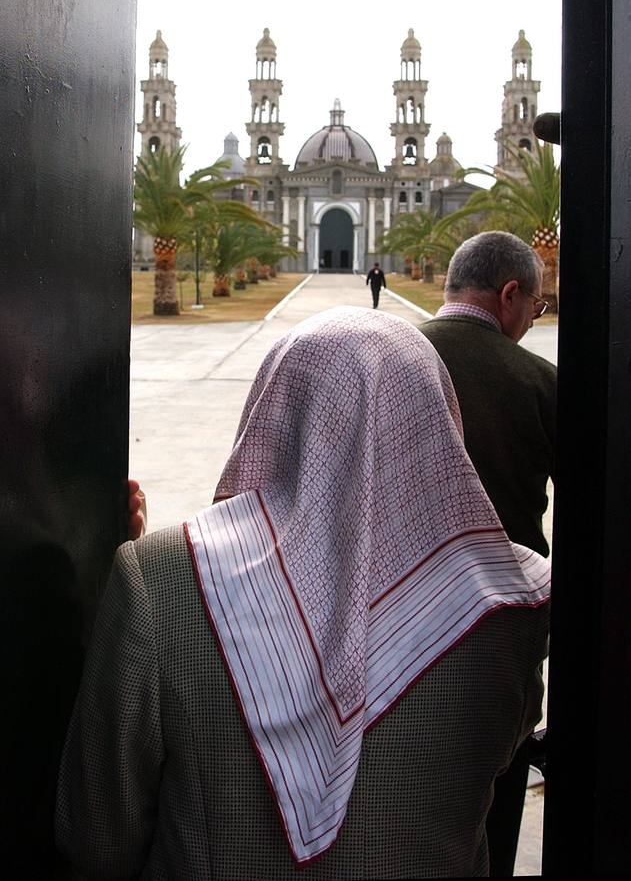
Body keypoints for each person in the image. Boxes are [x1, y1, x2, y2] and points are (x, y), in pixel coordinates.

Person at [56, 307, 550, 880]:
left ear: (273, 412)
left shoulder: (160, 578)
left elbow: (96, 838)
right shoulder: (512, 600)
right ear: (435, 420)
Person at [421, 230, 556, 876]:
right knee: (491, 800)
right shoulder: (537, 381)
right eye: (536, 307)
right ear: (509, 294)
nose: (534, 319)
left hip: (379, 636)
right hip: (497, 635)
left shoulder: (385, 359)